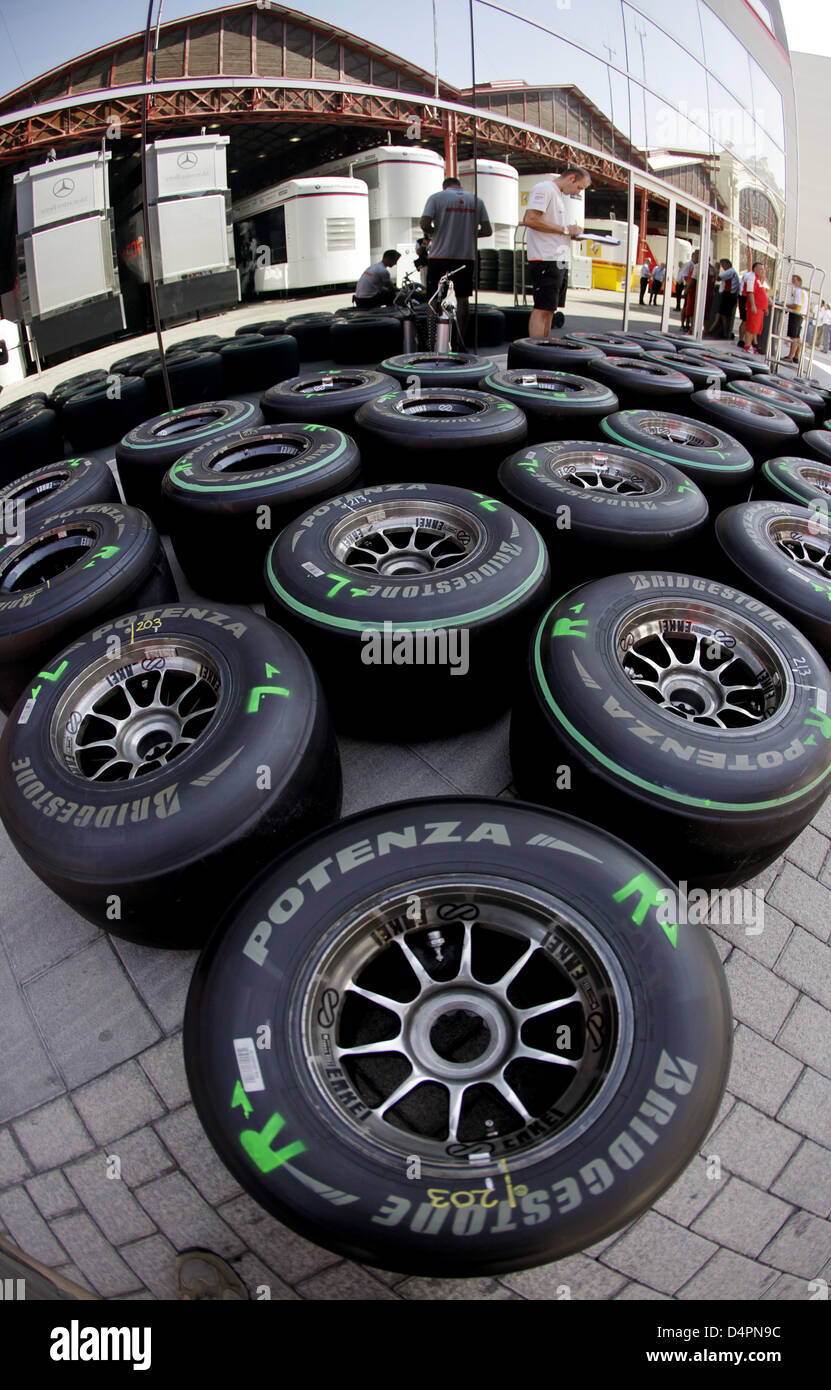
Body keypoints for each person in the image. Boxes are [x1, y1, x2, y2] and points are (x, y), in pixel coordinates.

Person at [522, 165, 592, 340]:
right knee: (542, 308)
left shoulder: (557, 195)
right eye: (579, 187)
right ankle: (535, 350)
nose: (578, 192)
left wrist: (572, 233)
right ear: (571, 178)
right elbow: (530, 219)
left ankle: (544, 348)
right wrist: (566, 230)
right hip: (545, 258)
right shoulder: (544, 189)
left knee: (550, 309)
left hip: (558, 259)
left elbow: (558, 229)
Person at [420, 177, 492, 338]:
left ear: (445, 187)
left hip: (439, 256)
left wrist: (435, 234)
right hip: (465, 257)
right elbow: (487, 230)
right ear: (459, 186)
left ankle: (433, 338)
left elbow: (424, 223)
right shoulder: (476, 200)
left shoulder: (436, 198)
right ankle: (461, 338)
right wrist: (469, 234)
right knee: (463, 297)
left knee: (434, 297)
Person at [707, 258, 740, 339]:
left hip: (728, 295)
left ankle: (725, 333)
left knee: (724, 315)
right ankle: (712, 329)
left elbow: (718, 278)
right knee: (720, 314)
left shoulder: (730, 272)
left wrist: (717, 269)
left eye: (723, 265)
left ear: (728, 264)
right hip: (727, 295)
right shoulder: (731, 272)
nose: (723, 267)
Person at [741, 262, 767, 354]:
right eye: (760, 269)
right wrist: (753, 305)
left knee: (755, 328)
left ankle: (750, 345)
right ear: (754, 269)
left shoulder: (759, 279)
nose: (762, 271)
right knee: (751, 327)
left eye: (763, 269)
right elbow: (750, 292)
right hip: (755, 307)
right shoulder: (752, 277)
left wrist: (765, 307)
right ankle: (747, 346)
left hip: (760, 308)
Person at [785, 273, 808, 362]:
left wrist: (786, 305)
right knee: (798, 337)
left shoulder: (798, 291)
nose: (792, 282)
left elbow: (797, 306)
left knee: (794, 337)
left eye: (794, 280)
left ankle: (790, 356)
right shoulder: (803, 292)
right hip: (800, 315)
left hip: (796, 315)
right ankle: (796, 357)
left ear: (799, 281)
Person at [681, 250, 699, 331]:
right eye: (696, 255)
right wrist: (688, 286)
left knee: (690, 308)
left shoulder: (696, 265)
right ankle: (683, 324)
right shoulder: (690, 264)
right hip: (689, 287)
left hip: (694, 288)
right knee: (686, 307)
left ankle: (688, 323)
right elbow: (685, 276)